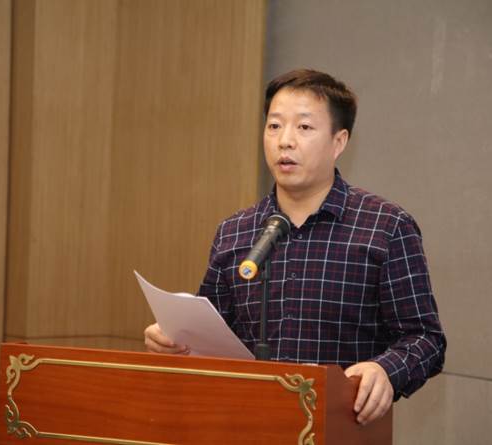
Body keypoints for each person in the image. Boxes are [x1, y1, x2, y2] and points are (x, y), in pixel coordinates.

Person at [144, 68, 446, 426]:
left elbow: (425, 339)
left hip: (343, 428)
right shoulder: (235, 231)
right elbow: (211, 335)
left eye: (304, 127)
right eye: (274, 126)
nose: (285, 141)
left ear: (339, 142)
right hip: (245, 425)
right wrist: (176, 340)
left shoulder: (386, 227)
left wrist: (386, 370)